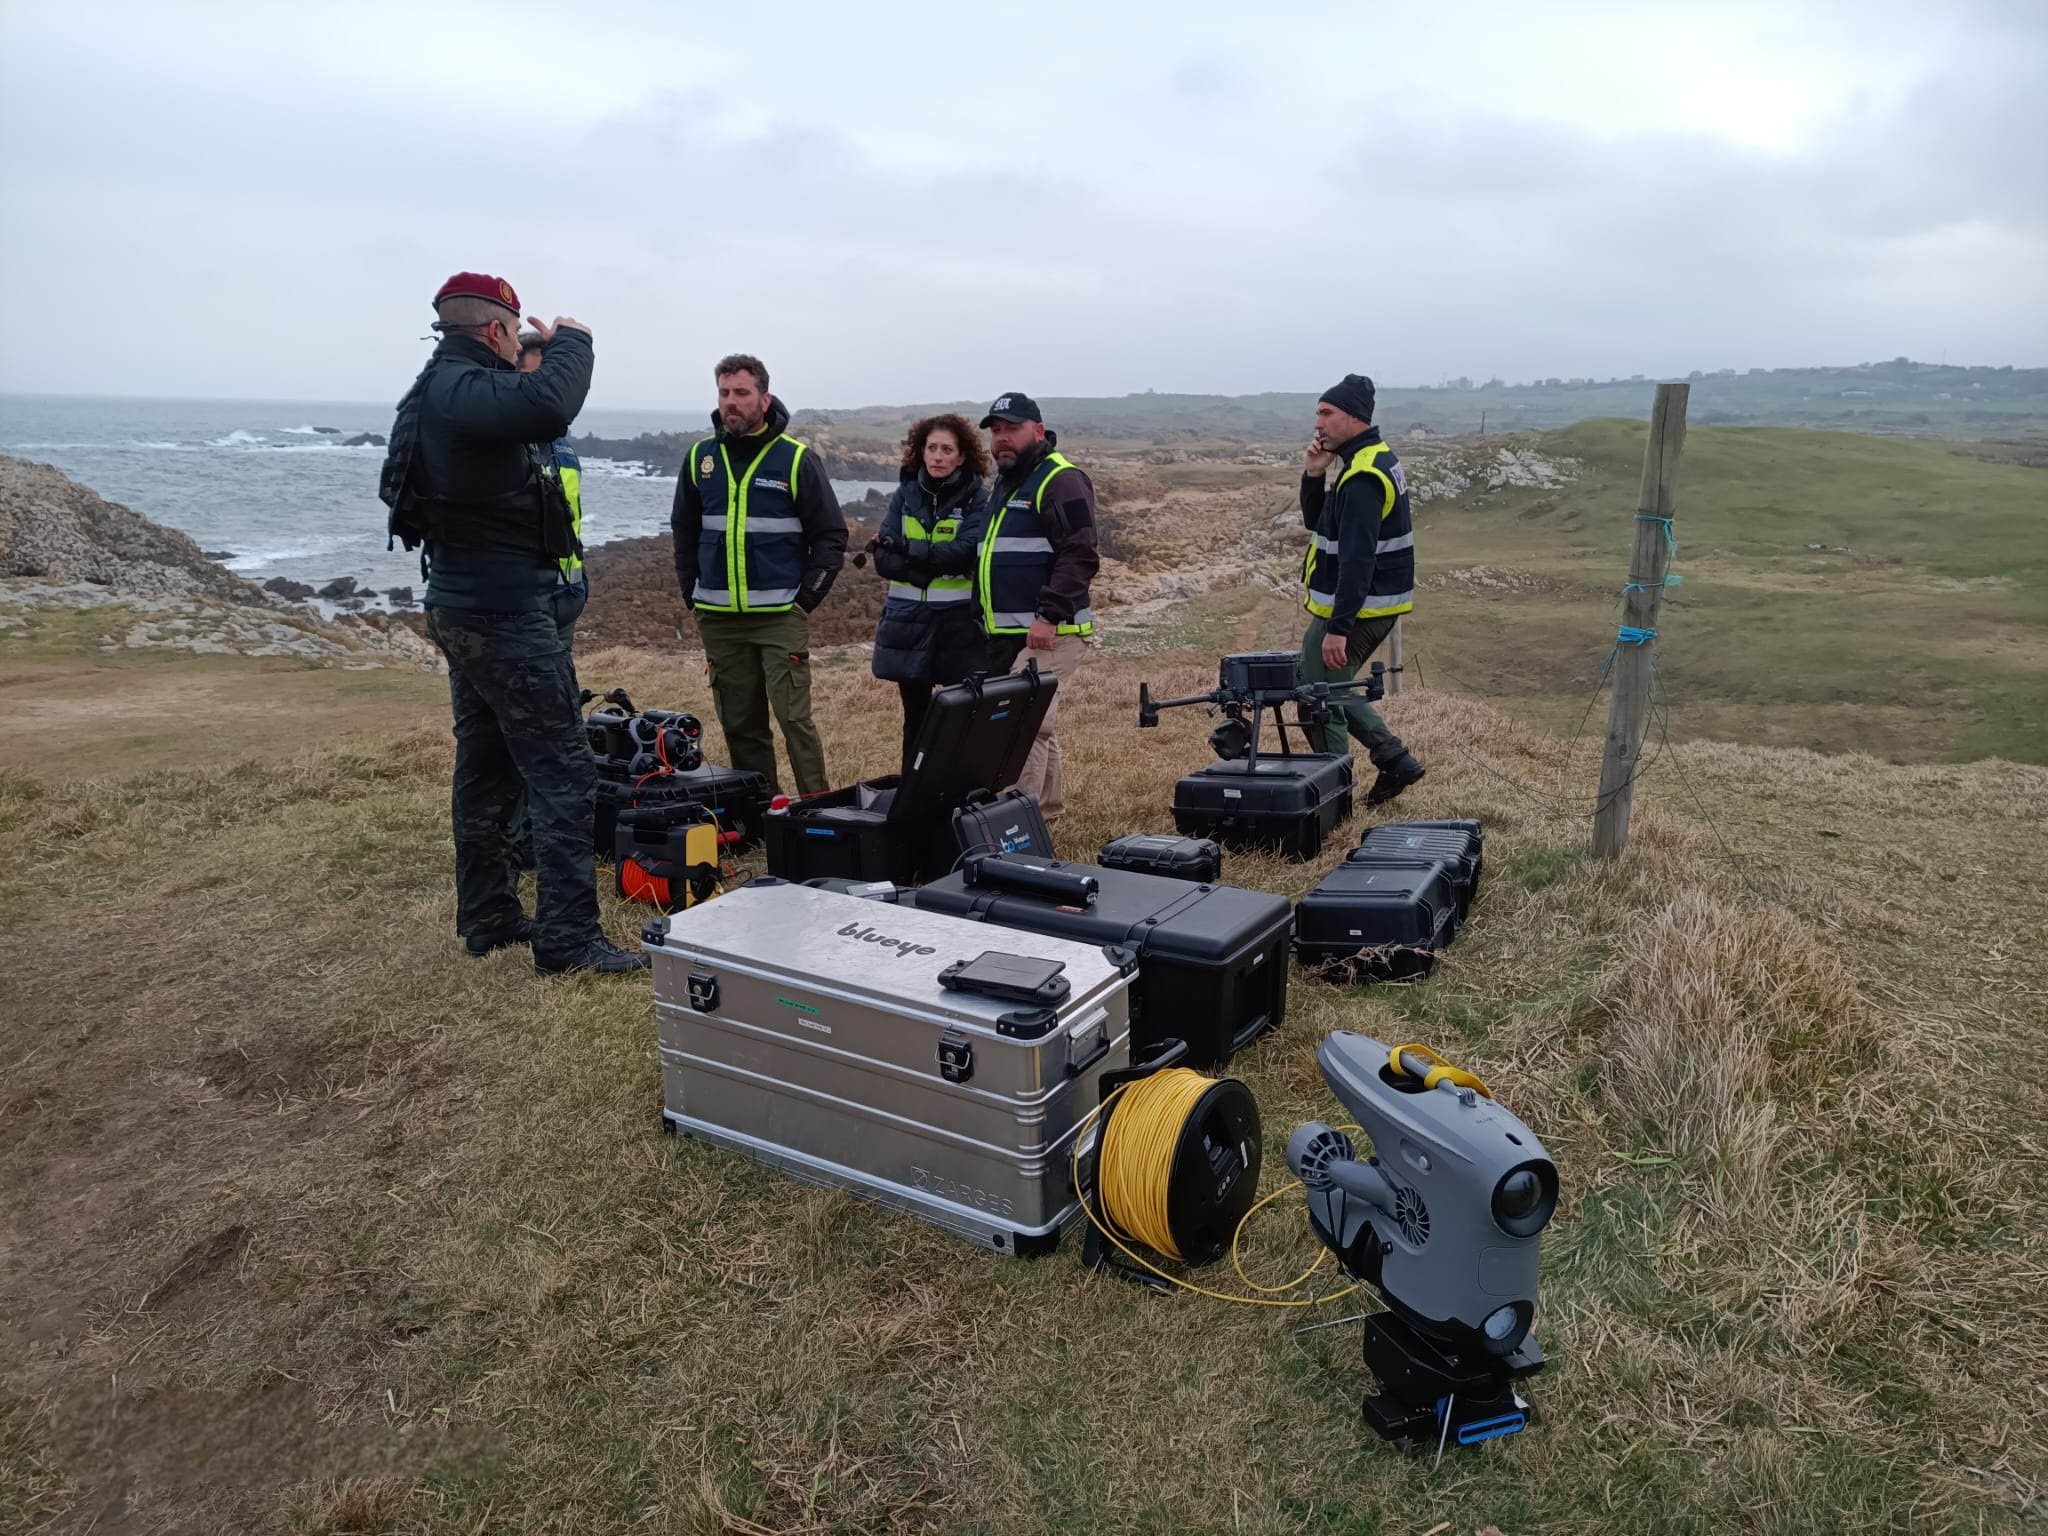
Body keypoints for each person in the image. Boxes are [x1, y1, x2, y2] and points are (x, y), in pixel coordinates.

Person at [379, 271, 647, 977]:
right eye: (514, 330)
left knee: (489, 764)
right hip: (501, 615)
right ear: (495, 330)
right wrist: (575, 340)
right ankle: (567, 942)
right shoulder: (461, 388)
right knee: (563, 774)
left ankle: (490, 913)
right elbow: (551, 402)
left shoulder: (439, 390)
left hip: (464, 605)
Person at [670, 355, 847, 796]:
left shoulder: (796, 460)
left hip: (779, 616)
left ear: (764, 399)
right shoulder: (699, 459)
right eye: (724, 393)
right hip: (718, 618)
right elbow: (684, 530)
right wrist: (691, 593)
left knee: (794, 719)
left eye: (742, 393)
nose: (731, 403)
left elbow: (830, 535)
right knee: (740, 723)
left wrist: (806, 599)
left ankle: (815, 810)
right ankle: (761, 810)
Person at [1298, 372, 1426, 804]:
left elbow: (1357, 560)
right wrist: (1313, 474)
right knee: (1321, 686)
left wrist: (1338, 626)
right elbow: (1319, 524)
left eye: (1326, 413)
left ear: (1353, 418)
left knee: (1319, 696)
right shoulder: (1360, 461)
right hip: (1363, 607)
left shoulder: (1364, 475)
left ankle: (1335, 796)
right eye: (1317, 412)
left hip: (1360, 609)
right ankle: (1394, 761)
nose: (1318, 422)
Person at [975, 392, 1098, 826]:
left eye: (1012, 428)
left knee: (1018, 727)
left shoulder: (1059, 479)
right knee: (1037, 724)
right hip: (1015, 633)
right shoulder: (1008, 483)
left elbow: (1080, 554)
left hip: (1052, 631)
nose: (1002, 439)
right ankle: (1045, 814)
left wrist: (1048, 615)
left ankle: (1014, 826)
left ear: (1039, 431)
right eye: (996, 430)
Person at [868, 414, 991, 772]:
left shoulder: (977, 500)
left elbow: (965, 551)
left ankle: (958, 797)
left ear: (962, 456)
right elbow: (883, 562)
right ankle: (912, 796)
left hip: (959, 629)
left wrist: (908, 551)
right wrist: (928, 562)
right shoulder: (903, 495)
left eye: (947, 450)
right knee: (916, 723)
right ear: (920, 452)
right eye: (931, 448)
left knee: (961, 720)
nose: (938, 456)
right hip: (908, 624)